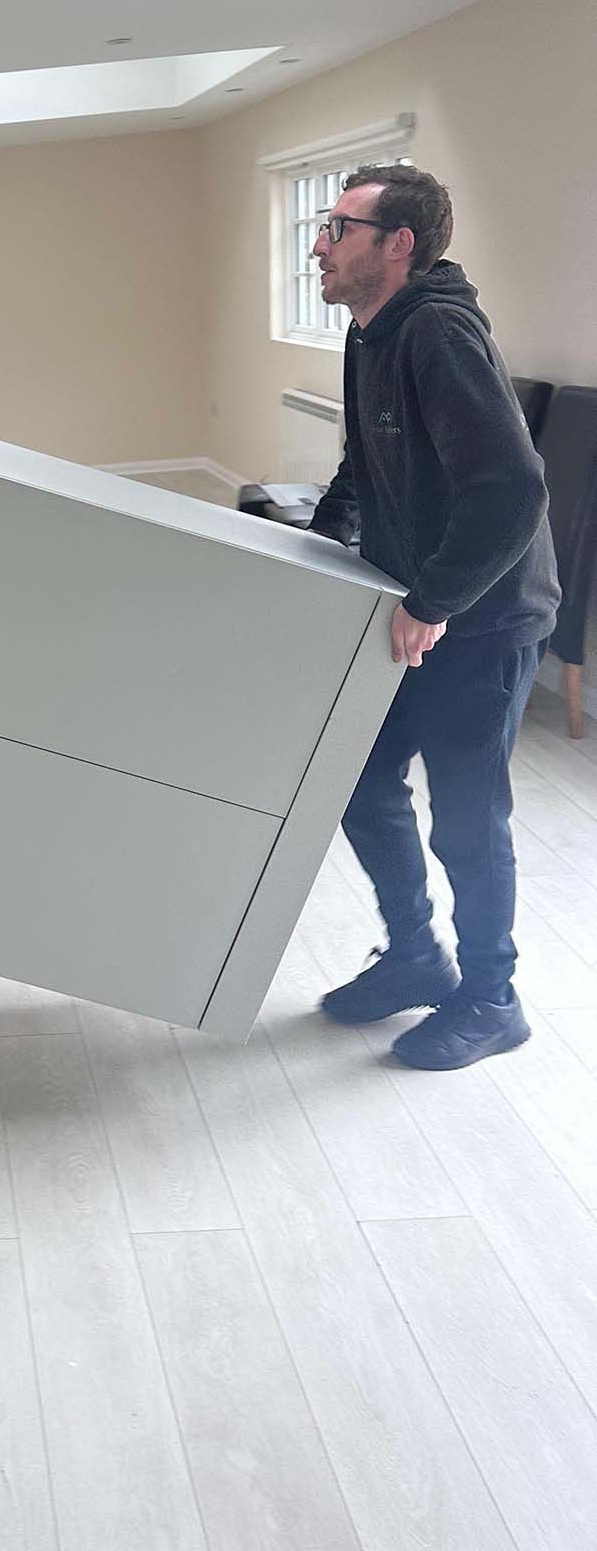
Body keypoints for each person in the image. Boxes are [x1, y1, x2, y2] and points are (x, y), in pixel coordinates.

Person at [308, 167, 560, 1068]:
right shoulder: (368, 330)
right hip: (416, 608)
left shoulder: (438, 332)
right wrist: (313, 544)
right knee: (358, 779)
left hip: (481, 618)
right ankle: (416, 956)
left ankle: (492, 999)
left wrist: (432, 601)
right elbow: (364, 463)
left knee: (467, 820)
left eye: (339, 228)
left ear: (398, 244)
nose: (320, 245)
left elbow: (514, 488)